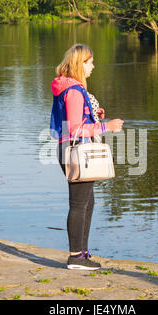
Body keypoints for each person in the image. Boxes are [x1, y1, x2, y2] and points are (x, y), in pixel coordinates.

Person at [50, 44, 124, 270]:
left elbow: (75, 121)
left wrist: (93, 116)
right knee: (80, 203)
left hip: (71, 149)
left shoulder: (70, 87)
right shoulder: (73, 90)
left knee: (86, 202)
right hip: (75, 150)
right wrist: (105, 126)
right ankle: (75, 257)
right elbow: (73, 129)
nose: (93, 66)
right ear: (79, 64)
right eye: (90, 62)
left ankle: (82, 253)